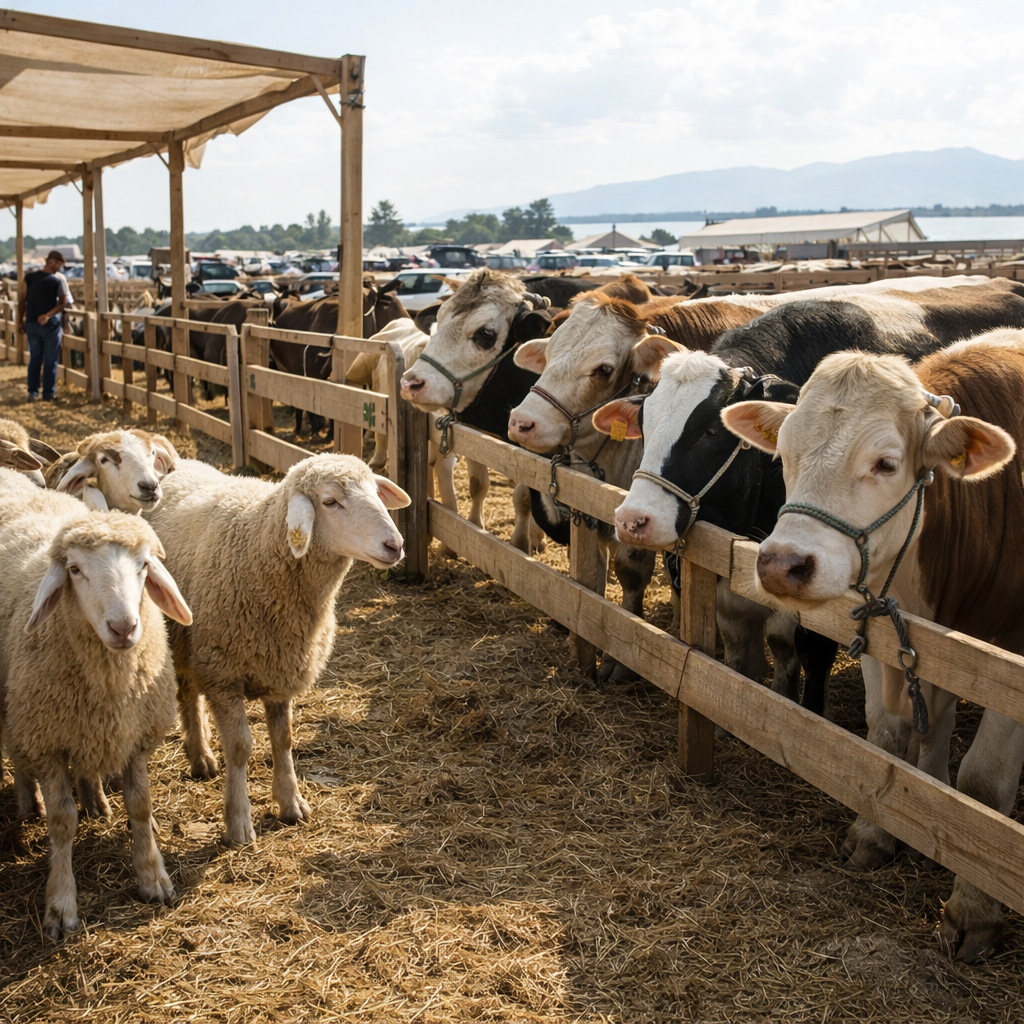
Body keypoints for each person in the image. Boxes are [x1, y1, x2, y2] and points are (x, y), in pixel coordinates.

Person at [18, 250, 72, 402]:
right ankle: (48, 394)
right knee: (50, 360)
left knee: (35, 358)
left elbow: (22, 301)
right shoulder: (58, 280)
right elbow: (63, 303)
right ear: (52, 262)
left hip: (32, 324)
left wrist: (20, 321)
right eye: (60, 265)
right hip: (50, 325)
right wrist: (47, 316)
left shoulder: (29, 278)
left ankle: (32, 392)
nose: (60, 268)